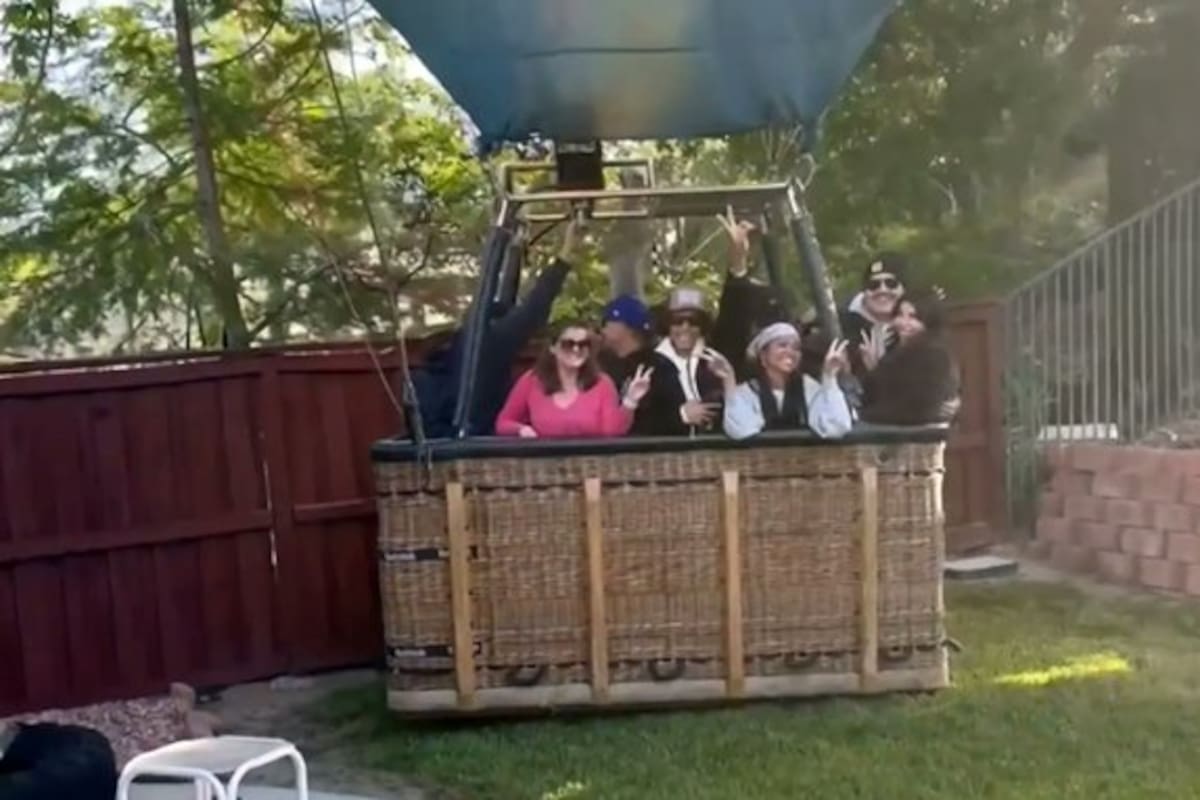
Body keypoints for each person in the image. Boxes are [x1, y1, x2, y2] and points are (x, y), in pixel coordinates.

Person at [410, 217, 582, 438]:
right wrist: (566, 253)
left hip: (439, 442)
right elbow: (535, 307)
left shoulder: (458, 348)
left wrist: (515, 249)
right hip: (473, 440)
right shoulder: (488, 348)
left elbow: (504, 296)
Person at [495, 321, 653, 439]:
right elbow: (503, 423)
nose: (576, 350)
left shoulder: (602, 383)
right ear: (553, 348)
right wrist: (521, 430)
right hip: (543, 469)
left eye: (583, 344)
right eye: (568, 344)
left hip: (590, 468)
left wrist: (630, 401)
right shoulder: (531, 380)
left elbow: (611, 433)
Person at [719, 322, 855, 440]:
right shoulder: (748, 392)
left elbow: (837, 426)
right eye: (782, 345)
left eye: (795, 348)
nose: (790, 352)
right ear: (763, 355)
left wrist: (829, 377)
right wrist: (729, 382)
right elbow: (739, 431)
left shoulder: (809, 388)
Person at [637, 286, 730, 436]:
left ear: (702, 326)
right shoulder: (648, 363)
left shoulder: (715, 361)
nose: (685, 327)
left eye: (694, 321)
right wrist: (681, 415)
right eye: (677, 321)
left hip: (716, 454)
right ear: (667, 324)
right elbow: (639, 422)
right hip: (669, 456)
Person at [859, 294, 961, 426]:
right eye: (899, 315)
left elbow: (914, 407)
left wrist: (859, 416)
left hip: (918, 436)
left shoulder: (933, 354)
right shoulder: (895, 348)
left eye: (913, 317)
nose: (903, 322)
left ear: (928, 322)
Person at [841, 252, 907, 377]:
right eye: (873, 285)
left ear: (904, 289)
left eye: (891, 283)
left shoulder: (919, 328)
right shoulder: (841, 328)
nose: (882, 290)